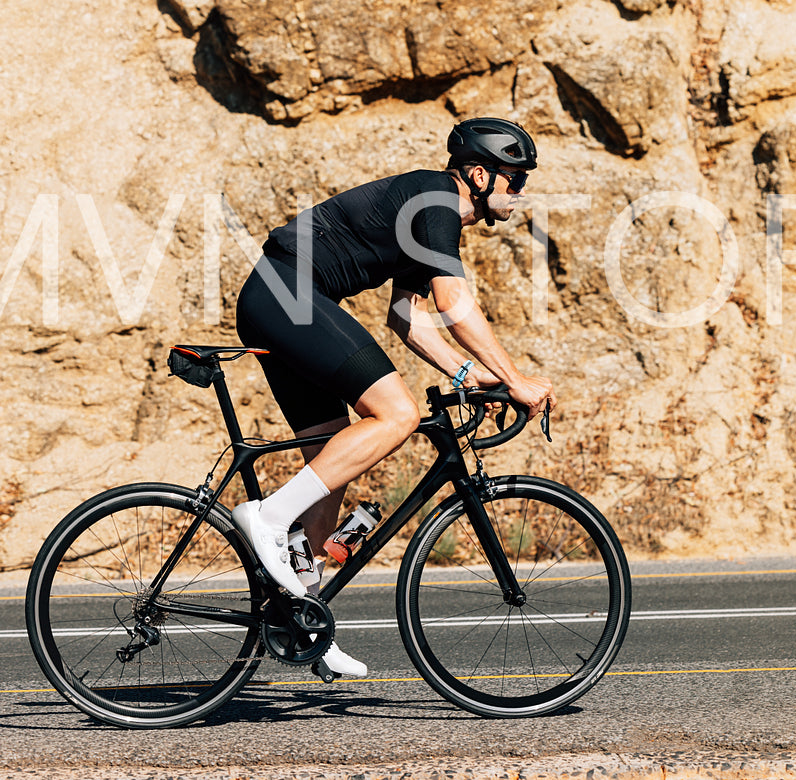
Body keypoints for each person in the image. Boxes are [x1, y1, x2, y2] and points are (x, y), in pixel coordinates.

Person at [232, 117, 556, 677]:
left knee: (330, 465)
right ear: (478, 174)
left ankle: (304, 620)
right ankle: (266, 517)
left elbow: (409, 319)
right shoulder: (435, 199)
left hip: (279, 300)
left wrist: (469, 375)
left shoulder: (428, 217)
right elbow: (456, 301)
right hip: (288, 295)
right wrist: (517, 377)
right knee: (397, 413)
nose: (520, 192)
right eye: (514, 180)